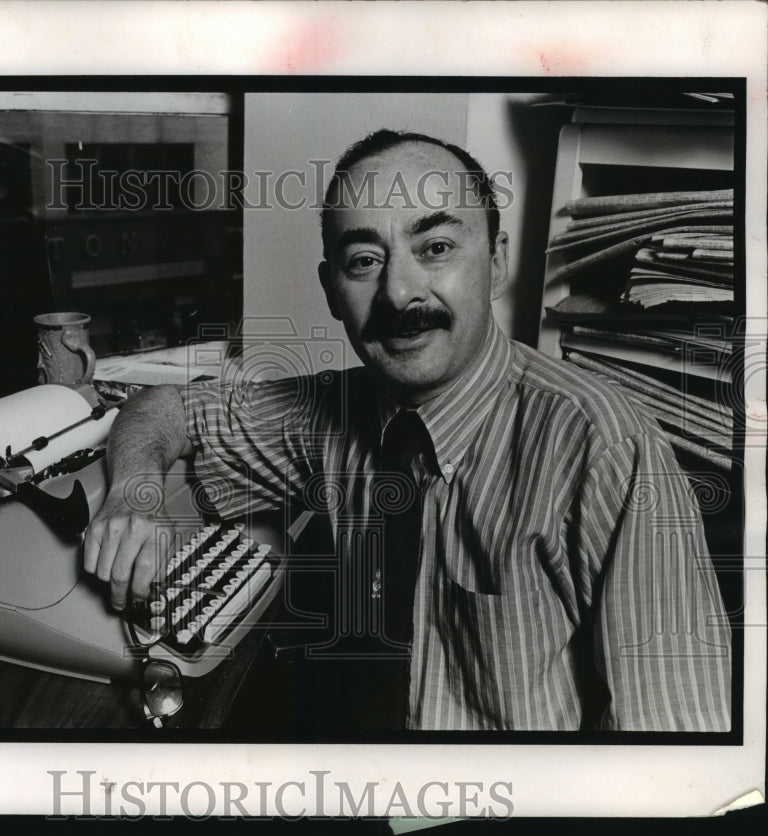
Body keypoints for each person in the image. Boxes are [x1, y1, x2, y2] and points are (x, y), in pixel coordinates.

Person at [84, 129, 732, 732]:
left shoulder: (607, 448)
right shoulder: (339, 409)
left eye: (437, 249)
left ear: (496, 261)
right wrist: (134, 492)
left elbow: (674, 757)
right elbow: (166, 406)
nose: (400, 293)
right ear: (332, 290)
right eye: (364, 260)